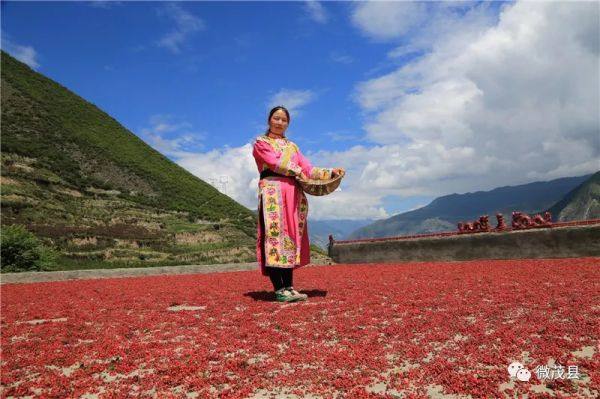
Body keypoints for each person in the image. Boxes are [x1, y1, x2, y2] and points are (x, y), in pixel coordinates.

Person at [252, 106, 344, 302]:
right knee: (275, 238)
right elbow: (275, 163)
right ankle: (279, 288)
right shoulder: (261, 143)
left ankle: (289, 287)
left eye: (284, 120)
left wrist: (329, 172)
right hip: (273, 193)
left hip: (293, 194)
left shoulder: (293, 147)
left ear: (288, 123)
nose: (279, 122)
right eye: (276, 118)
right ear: (269, 120)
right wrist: (298, 171)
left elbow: (308, 168)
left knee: (290, 238)